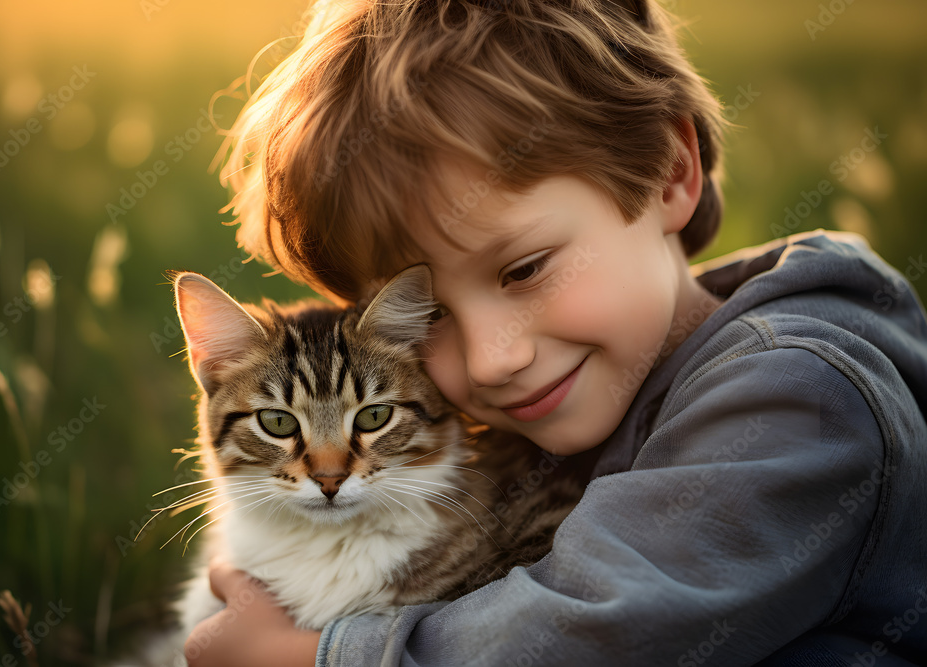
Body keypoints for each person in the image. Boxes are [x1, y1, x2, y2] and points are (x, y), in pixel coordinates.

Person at [184, 0, 927, 664]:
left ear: (670, 172)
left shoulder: (799, 396)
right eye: (430, 316)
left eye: (526, 269)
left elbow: (598, 631)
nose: (494, 358)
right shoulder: (576, 400)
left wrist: (319, 658)